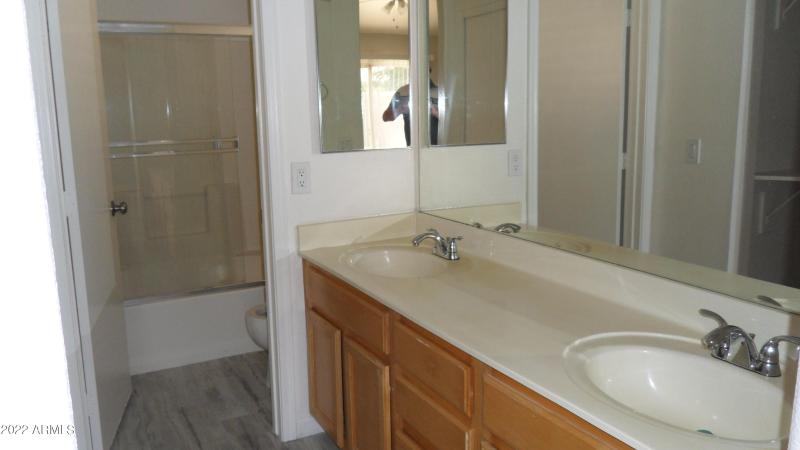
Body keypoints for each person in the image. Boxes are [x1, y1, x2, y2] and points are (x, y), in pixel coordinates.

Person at [382, 79, 440, 146]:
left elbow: (448, 121)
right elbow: (385, 117)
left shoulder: (439, 92)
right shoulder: (402, 92)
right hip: (412, 147)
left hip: (435, 147)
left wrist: (435, 113)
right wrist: (399, 110)